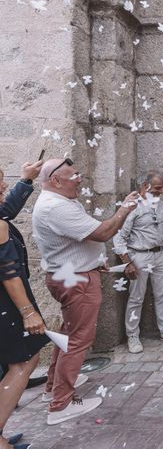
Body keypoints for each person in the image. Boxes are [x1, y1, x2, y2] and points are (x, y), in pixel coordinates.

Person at [32, 158, 139, 425]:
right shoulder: (55, 206)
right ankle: (62, 405)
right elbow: (103, 232)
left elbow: (76, 240)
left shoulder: (59, 200)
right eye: (73, 176)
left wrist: (93, 263)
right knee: (78, 339)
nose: (80, 179)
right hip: (77, 279)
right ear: (56, 181)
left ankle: (52, 387)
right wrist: (124, 209)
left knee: (68, 333)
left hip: (70, 273)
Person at [0, 161, 50, 449]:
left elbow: (6, 210)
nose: (4, 186)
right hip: (7, 307)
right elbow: (8, 273)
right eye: (1, 182)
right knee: (23, 361)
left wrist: (25, 180)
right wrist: (29, 313)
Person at [113, 171, 163, 354]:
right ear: (145, 186)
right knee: (136, 297)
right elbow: (119, 237)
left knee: (162, 295)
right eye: (158, 187)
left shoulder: (162, 206)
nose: (162, 191)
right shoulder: (131, 207)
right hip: (139, 256)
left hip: (160, 255)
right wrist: (127, 262)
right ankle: (132, 336)